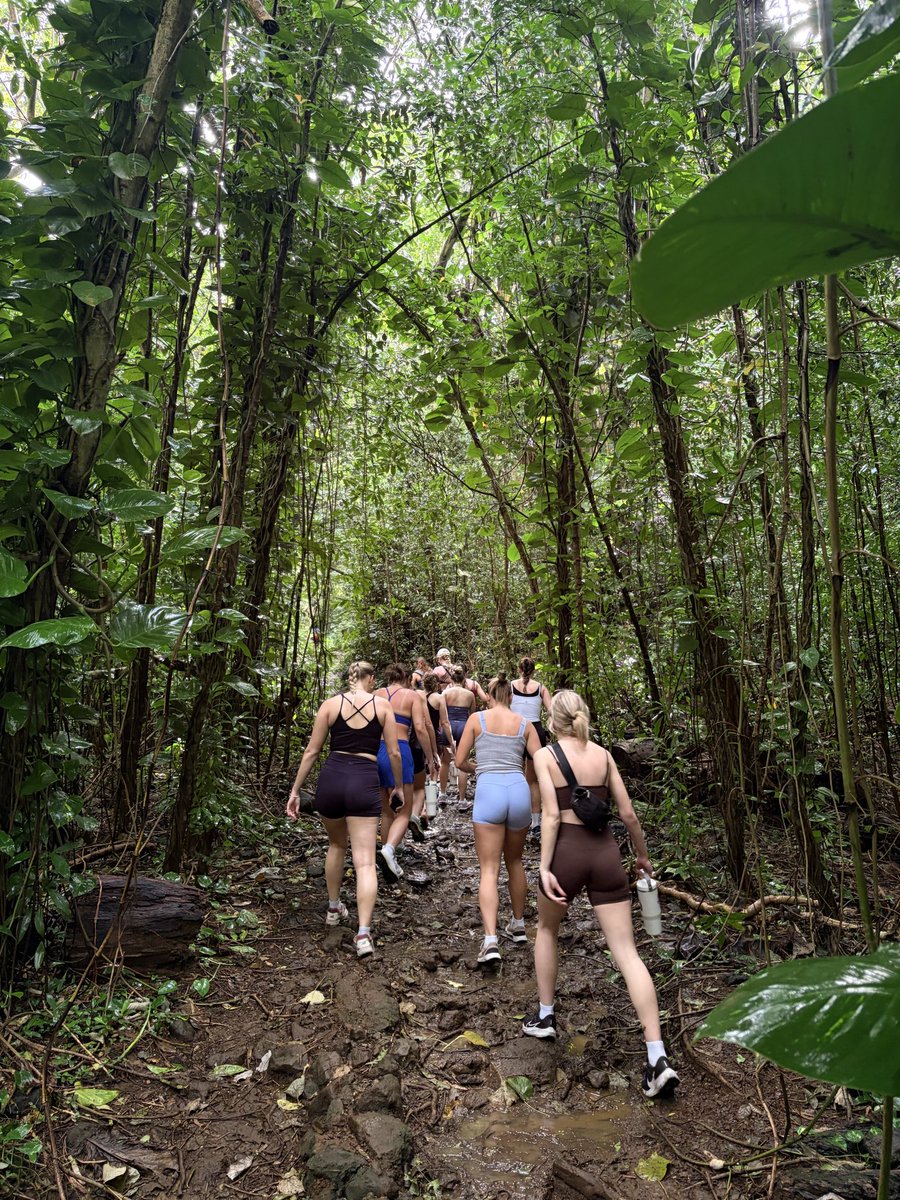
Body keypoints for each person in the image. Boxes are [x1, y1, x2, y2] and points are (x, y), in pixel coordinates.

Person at [525, 690, 679, 1101]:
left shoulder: (544, 755)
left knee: (546, 930)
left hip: (567, 854)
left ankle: (545, 1015)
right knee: (627, 952)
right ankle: (656, 1056)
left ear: (551, 720)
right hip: (606, 853)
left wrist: (543, 867)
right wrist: (642, 856)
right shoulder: (605, 755)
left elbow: (553, 815)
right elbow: (628, 815)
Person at [286, 661, 402, 959]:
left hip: (333, 779)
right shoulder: (383, 706)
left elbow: (312, 751)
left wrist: (295, 790)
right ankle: (363, 934)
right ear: (370, 679)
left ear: (349, 678)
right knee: (364, 861)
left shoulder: (329, 705)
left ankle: (334, 908)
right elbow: (393, 751)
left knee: (336, 845)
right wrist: (398, 787)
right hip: (364, 779)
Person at [455, 671, 542, 968]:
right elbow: (539, 761)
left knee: (489, 869)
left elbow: (458, 761)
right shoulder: (526, 724)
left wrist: (476, 766)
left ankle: (490, 940)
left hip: (490, 789)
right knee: (515, 861)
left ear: (489, 696)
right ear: (513, 697)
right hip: (518, 791)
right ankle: (518, 925)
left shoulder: (476, 720)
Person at [375, 663, 437, 881]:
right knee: (405, 808)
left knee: (386, 810)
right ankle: (389, 850)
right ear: (405, 678)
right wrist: (430, 758)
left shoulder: (376, 694)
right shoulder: (411, 696)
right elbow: (420, 728)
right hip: (400, 748)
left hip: (378, 750)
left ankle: (388, 858)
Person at [510, 656, 553, 843]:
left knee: (512, 774)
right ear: (533, 671)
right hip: (536, 731)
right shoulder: (541, 688)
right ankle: (535, 824)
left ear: (519, 669)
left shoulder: (511, 686)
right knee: (533, 780)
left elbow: (500, 706)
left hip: (514, 729)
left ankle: (514, 818)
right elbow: (552, 710)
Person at [444, 665, 477, 798]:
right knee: (463, 761)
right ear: (464, 679)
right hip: (464, 725)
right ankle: (462, 799)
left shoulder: (445, 693)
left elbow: (443, 714)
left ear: (451, 679)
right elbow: (472, 715)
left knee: (445, 761)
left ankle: (442, 793)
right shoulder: (469, 694)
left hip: (449, 725)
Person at [423, 671, 456, 803]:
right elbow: (445, 722)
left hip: (417, 734)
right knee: (435, 765)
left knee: (422, 765)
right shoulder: (438, 698)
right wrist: (451, 740)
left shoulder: (418, 696)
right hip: (433, 735)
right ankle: (431, 801)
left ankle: (422, 797)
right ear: (436, 684)